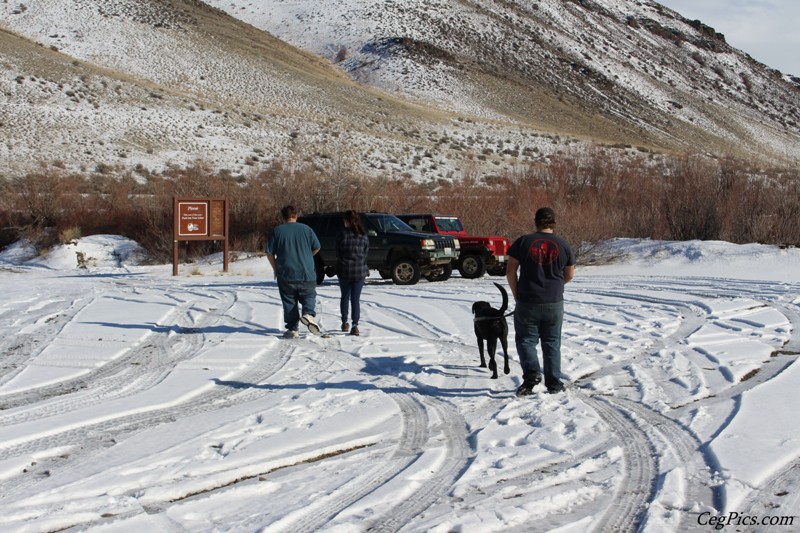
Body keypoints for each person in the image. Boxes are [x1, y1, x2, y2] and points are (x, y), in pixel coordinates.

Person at [506, 207, 575, 395]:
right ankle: (553, 384)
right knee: (552, 342)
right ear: (554, 222)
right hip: (554, 301)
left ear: (536, 221)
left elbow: (510, 270)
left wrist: (516, 293)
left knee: (526, 340)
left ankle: (532, 375)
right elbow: (569, 274)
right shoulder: (563, 244)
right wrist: (555, 285)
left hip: (528, 300)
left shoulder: (523, 242)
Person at [266, 205, 321, 338]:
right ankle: (308, 314)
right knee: (309, 295)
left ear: (283, 217)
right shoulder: (307, 229)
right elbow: (317, 247)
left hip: (286, 273)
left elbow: (269, 253)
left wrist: (275, 268)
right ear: (296, 215)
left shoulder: (277, 231)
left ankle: (292, 328)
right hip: (306, 272)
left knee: (289, 300)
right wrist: (307, 256)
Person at [336, 210, 369, 336]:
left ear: (347, 221)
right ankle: (355, 325)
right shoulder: (363, 235)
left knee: (345, 296)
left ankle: (344, 322)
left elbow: (338, 253)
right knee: (355, 299)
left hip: (344, 270)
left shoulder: (341, 235)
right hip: (359, 270)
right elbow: (365, 253)